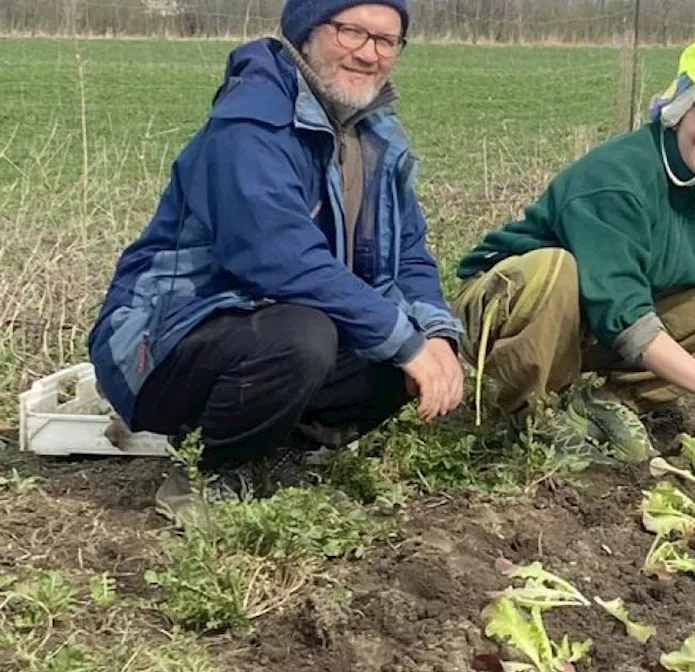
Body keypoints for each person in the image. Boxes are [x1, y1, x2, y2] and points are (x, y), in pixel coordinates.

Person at [86, 0, 465, 522]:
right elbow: (277, 257)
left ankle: (281, 455)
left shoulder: (375, 135)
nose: (368, 54)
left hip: (265, 326)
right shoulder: (252, 121)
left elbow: (411, 253)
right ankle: (208, 473)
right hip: (163, 342)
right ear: (307, 32)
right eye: (351, 33)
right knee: (306, 336)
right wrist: (403, 339)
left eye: (385, 41)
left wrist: (437, 335)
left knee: (398, 350)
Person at [452, 35, 695, 476]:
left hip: (595, 322)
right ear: (679, 109)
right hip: (511, 308)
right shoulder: (618, 179)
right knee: (556, 269)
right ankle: (534, 419)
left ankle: (612, 402)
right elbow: (623, 314)